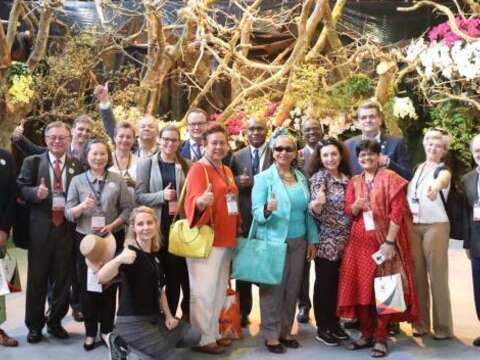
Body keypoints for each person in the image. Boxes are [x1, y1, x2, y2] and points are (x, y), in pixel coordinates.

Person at [337, 140, 418, 357]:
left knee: (385, 288)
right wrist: (356, 206)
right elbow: (348, 210)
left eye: (370, 155)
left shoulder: (391, 178)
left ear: (378, 156)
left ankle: (381, 337)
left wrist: (390, 243)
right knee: (362, 289)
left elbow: (398, 212)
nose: (366, 159)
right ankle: (366, 334)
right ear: (358, 158)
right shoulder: (355, 181)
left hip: (384, 242)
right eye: (362, 156)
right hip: (358, 244)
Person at [97, 206, 201, 360]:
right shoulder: (129, 253)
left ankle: (148, 348)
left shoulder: (154, 255)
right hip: (132, 323)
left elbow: (159, 290)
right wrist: (119, 259)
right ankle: (123, 345)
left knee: (194, 335)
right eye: (140, 224)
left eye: (149, 223)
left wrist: (169, 316)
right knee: (171, 357)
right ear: (133, 227)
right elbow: (101, 278)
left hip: (154, 319)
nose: (145, 227)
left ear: (156, 224)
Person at [251, 132, 318, 354]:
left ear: (295, 152)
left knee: (292, 288)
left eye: (288, 149)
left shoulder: (301, 178)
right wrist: (266, 210)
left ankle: (286, 331)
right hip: (273, 242)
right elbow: (256, 214)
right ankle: (271, 335)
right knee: (272, 290)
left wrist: (313, 239)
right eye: (278, 149)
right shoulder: (263, 179)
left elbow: (308, 211)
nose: (283, 153)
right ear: (273, 151)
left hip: (299, 241)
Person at [17, 121, 83, 343]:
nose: (57, 141)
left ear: (69, 139)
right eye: (53, 137)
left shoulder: (76, 166)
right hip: (40, 230)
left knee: (63, 280)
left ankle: (55, 322)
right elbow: (20, 188)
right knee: (37, 281)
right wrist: (36, 192)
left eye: (62, 137)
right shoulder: (32, 162)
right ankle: (34, 326)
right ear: (45, 140)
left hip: (66, 229)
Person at [65, 139, 133, 350]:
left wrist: (113, 225)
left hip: (111, 239)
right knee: (88, 288)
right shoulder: (77, 181)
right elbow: (68, 212)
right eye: (94, 154)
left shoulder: (116, 179)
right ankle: (90, 332)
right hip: (86, 241)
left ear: (108, 156)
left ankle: (106, 330)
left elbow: (127, 209)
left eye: (103, 153)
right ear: (86, 156)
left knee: (109, 285)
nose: (98, 158)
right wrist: (82, 207)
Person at [183, 123, 239, 354]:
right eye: (213, 143)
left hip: (226, 238)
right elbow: (192, 200)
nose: (218, 147)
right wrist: (200, 203)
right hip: (206, 240)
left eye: (222, 143)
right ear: (204, 145)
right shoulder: (198, 168)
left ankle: (213, 333)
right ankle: (201, 340)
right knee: (202, 293)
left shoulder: (226, 170)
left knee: (217, 291)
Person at [136, 125, 191, 321]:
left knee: (175, 277)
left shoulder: (186, 165)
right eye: (166, 139)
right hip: (154, 230)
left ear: (179, 142)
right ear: (159, 140)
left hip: (178, 230)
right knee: (154, 278)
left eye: (174, 140)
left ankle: (172, 319)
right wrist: (162, 196)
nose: (170, 143)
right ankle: (152, 319)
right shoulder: (146, 164)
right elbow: (139, 196)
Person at [407, 129, 453, 339]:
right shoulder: (418, 168)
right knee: (417, 276)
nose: (433, 148)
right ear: (425, 144)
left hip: (436, 226)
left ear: (444, 150)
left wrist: (435, 188)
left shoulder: (443, 170)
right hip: (415, 226)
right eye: (430, 143)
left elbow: (442, 180)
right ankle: (420, 323)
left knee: (437, 276)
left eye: (438, 145)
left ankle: (443, 327)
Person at [307, 138, 352, 346]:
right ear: (320, 158)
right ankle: (323, 327)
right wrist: (316, 205)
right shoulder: (319, 178)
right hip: (327, 241)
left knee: (338, 284)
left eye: (333, 154)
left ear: (340, 155)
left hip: (347, 240)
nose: (330, 158)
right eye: (325, 155)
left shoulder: (347, 178)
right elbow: (314, 210)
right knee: (324, 285)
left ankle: (335, 323)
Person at [229, 117, 273, 327]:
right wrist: (238, 182)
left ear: (267, 130)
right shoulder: (237, 156)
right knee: (244, 271)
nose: (256, 132)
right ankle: (243, 312)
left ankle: (268, 313)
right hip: (245, 220)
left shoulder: (277, 153)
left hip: (270, 219)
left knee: (268, 268)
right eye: (252, 129)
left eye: (260, 129)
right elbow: (228, 183)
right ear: (246, 132)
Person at [296, 118, 323, 324]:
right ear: (302, 133)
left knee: (327, 269)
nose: (312, 132)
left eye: (315, 128)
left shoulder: (329, 150)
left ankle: (327, 307)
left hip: (328, 219)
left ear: (322, 130)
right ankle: (303, 305)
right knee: (302, 267)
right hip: (304, 216)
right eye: (307, 129)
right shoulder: (296, 155)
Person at [345, 100, 411, 180]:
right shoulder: (348, 146)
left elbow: (407, 176)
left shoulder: (396, 143)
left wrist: (388, 163)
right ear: (358, 122)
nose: (368, 120)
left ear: (380, 120)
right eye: (363, 118)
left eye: (372, 117)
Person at [94, 84, 159, 159]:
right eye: (143, 126)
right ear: (138, 131)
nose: (146, 129)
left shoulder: (165, 151)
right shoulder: (131, 147)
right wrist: (104, 101)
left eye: (150, 126)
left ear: (157, 131)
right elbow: (112, 129)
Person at [12, 115, 93, 167]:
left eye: (88, 131)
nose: (84, 133)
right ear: (72, 131)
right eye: (81, 129)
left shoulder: (93, 155)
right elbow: (33, 150)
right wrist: (19, 138)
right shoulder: (58, 148)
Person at [462, 133, 480, 348]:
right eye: (476, 150)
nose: (479, 154)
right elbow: (467, 213)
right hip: (477, 243)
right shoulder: (467, 179)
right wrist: (466, 243)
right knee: (479, 288)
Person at [0, 148, 18, 347]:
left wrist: (4, 229)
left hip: (0, 231)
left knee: (3, 283)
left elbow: (12, 196)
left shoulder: (5, 157)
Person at [109, 121, 138, 196]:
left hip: (134, 206)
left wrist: (134, 184)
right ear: (114, 138)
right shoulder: (105, 160)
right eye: (121, 136)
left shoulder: (140, 162)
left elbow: (146, 190)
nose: (124, 140)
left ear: (133, 140)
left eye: (128, 137)